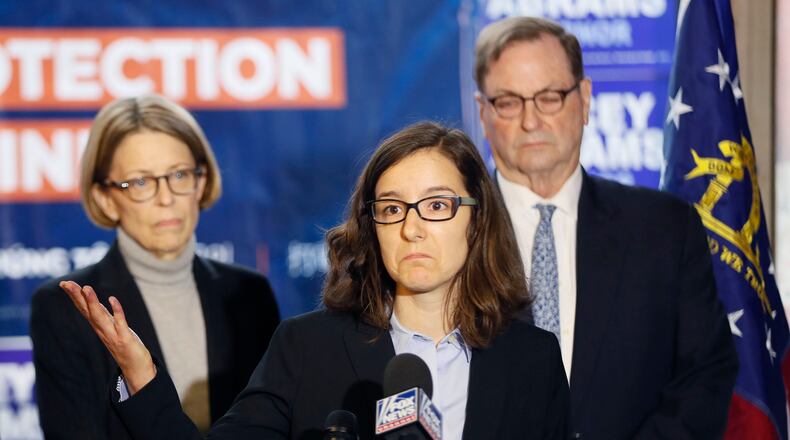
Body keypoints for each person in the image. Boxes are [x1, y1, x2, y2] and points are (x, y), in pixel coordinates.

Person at [58, 121, 569, 439]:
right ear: (373, 226)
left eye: (436, 205)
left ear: (475, 219)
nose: (412, 228)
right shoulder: (307, 347)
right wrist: (141, 376)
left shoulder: (532, 358)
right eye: (392, 209)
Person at [474, 17, 739, 439]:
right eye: (508, 101)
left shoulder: (665, 229)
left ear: (584, 99)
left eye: (549, 97)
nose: (530, 121)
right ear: (483, 113)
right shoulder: (453, 231)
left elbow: (705, 373)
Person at [30, 95, 281, 439]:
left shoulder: (249, 294)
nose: (166, 198)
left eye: (179, 174)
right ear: (106, 197)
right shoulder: (65, 308)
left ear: (201, 181)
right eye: (141, 182)